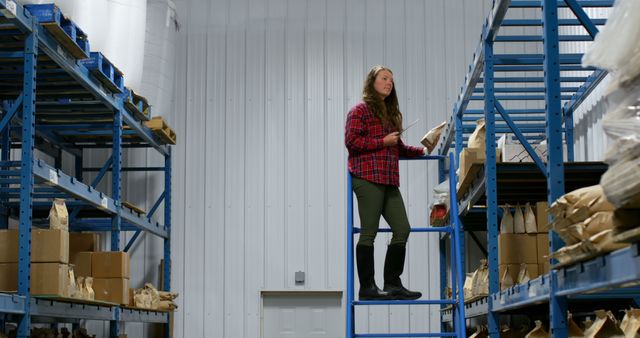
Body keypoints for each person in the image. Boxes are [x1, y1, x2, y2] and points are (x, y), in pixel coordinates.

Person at [345, 65, 427, 301]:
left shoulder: (389, 115)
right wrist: (382, 141)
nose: (389, 83)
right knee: (368, 232)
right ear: (372, 82)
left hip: (389, 180)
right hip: (367, 177)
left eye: (391, 79)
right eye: (384, 78)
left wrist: (423, 149)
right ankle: (368, 287)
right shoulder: (359, 111)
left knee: (402, 228)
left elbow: (399, 148)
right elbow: (352, 142)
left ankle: (392, 283)